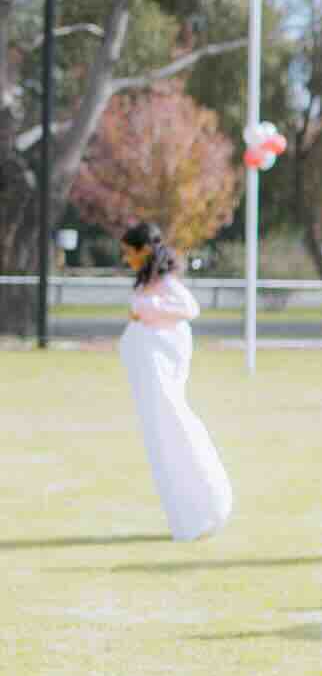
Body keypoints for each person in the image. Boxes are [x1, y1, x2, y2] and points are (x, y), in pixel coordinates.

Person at [117, 222, 232, 541]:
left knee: (175, 430)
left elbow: (189, 309)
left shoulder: (166, 283)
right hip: (148, 375)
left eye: (129, 252)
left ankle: (204, 506)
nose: (126, 259)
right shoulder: (146, 282)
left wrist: (149, 311)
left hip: (163, 374)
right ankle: (185, 512)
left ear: (145, 250)